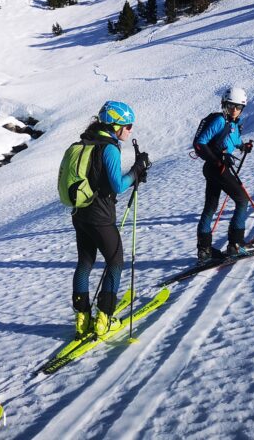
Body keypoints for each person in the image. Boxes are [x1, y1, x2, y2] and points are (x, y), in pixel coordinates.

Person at [71, 100, 148, 339]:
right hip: (101, 217)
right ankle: (104, 319)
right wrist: (136, 171)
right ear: (115, 125)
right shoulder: (110, 148)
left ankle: (82, 320)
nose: (130, 130)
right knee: (115, 263)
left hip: (80, 213)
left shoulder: (85, 142)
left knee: (85, 263)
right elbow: (117, 184)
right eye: (127, 125)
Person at [193, 87, 254, 262]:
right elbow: (199, 144)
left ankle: (204, 251)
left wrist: (243, 146)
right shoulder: (219, 121)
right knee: (242, 200)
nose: (234, 110)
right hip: (216, 168)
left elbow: (233, 140)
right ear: (224, 105)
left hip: (215, 168)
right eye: (231, 106)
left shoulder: (232, 123)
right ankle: (235, 245)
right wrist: (218, 161)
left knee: (210, 207)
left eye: (238, 107)